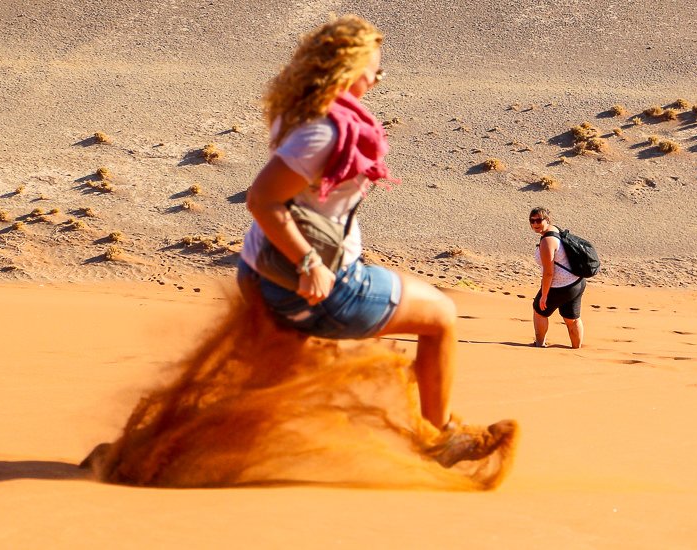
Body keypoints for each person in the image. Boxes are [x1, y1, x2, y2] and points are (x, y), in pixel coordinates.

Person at [236, 15, 513, 467]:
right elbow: (262, 200)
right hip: (317, 286)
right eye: (374, 70)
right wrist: (311, 264)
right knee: (441, 316)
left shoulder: (297, 112)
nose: (376, 79)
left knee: (265, 389)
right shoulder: (322, 132)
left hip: (258, 270)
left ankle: (179, 449)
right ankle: (439, 438)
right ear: (348, 68)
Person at [529, 207, 585, 349]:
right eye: (532, 220)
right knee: (572, 319)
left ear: (547, 220)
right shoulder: (556, 230)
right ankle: (576, 348)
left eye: (538, 220)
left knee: (539, 312)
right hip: (577, 282)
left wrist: (544, 295)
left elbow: (549, 273)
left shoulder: (547, 241)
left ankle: (540, 344)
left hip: (561, 286)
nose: (535, 223)